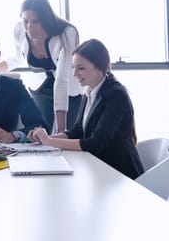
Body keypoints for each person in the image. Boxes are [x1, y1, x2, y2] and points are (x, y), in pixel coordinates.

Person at [27, 39, 144, 179]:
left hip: (120, 173)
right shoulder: (89, 91)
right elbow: (76, 131)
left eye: (81, 68)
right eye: (73, 67)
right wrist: (44, 139)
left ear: (100, 67)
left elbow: (95, 144)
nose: (75, 74)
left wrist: (49, 141)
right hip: (98, 168)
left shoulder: (116, 95)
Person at [0, 0, 82, 134]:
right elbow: (18, 58)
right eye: (26, 21)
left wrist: (61, 132)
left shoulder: (67, 33)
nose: (29, 27)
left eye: (35, 22)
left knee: (68, 135)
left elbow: (62, 79)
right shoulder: (19, 30)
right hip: (40, 88)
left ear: (46, 20)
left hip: (68, 89)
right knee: (41, 133)